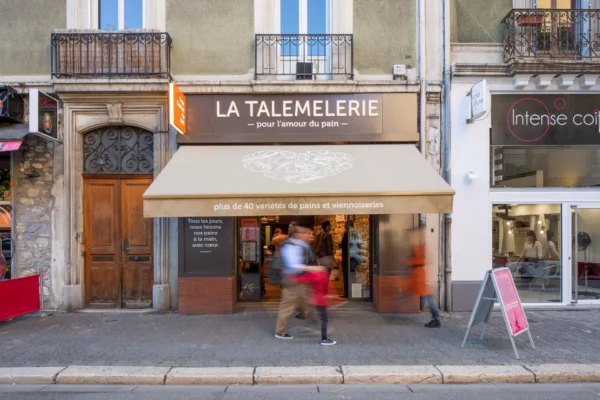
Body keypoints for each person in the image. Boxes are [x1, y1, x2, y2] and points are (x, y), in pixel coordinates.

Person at [275, 224, 336, 345]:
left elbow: (311, 257)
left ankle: (318, 325)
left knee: (308, 301)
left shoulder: (301, 244)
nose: (309, 236)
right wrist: (312, 268)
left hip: (302, 278)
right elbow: (293, 265)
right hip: (292, 279)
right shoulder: (290, 246)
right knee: (287, 306)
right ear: (298, 235)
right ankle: (280, 331)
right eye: (306, 233)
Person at [406, 226, 440, 328]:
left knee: (429, 298)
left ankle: (436, 319)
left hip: (423, 277)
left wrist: (410, 261)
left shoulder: (422, 246)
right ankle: (435, 318)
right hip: (419, 276)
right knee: (427, 297)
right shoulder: (417, 245)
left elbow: (423, 260)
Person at [340, 220, 354, 299]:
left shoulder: (346, 234)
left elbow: (342, 245)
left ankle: (347, 293)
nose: (344, 226)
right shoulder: (354, 233)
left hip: (346, 257)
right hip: (353, 258)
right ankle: (352, 292)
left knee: (346, 275)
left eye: (345, 224)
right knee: (352, 275)